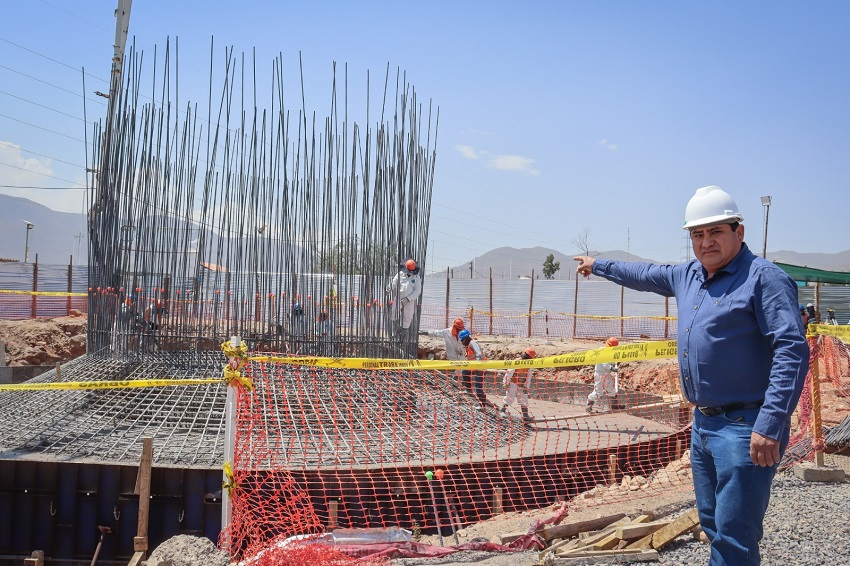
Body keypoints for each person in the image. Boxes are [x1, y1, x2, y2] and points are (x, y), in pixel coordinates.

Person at [574, 185, 809, 565]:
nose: (706, 242)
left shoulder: (764, 279)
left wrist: (770, 423)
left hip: (745, 426)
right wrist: (598, 265)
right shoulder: (689, 275)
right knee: (714, 524)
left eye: (715, 232)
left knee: (736, 538)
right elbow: (645, 273)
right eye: (697, 234)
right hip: (704, 424)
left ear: (739, 232)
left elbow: (792, 351)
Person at [386, 259, 423, 335]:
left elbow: (417, 291)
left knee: (408, 316)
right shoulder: (400, 274)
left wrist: (408, 299)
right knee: (394, 312)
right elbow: (394, 283)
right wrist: (389, 288)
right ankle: (394, 330)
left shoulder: (416, 277)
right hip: (399, 297)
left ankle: (404, 333)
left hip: (410, 299)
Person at [499, 347, 536, 422]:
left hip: (522, 385)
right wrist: (506, 383)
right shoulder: (517, 362)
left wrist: (526, 387)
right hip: (513, 383)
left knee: (524, 400)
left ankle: (525, 416)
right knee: (510, 397)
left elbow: (528, 377)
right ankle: (502, 411)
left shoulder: (529, 365)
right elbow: (509, 372)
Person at [586, 337, 623, 412]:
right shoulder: (602, 351)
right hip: (600, 375)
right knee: (598, 392)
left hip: (606, 374)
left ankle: (614, 405)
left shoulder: (609, 351)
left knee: (611, 389)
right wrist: (612, 368)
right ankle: (589, 404)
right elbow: (605, 364)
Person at [459, 329, 489, 410]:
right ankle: (468, 390)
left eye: (462, 340)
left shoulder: (472, 343)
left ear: (465, 338)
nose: (462, 342)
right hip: (474, 366)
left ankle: (482, 405)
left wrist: (478, 362)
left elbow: (478, 353)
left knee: (478, 386)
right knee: (465, 371)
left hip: (480, 367)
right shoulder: (468, 345)